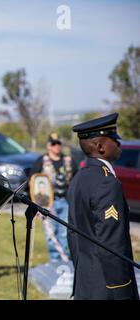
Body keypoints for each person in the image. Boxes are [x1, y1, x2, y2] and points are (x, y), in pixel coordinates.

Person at [67, 113, 139, 300]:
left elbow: (73, 234)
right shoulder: (107, 183)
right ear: (100, 147)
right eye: (114, 139)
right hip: (108, 288)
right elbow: (112, 242)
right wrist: (122, 290)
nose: (119, 144)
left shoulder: (79, 178)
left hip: (86, 281)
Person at [30, 132, 77, 262]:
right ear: (48, 146)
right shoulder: (41, 161)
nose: (57, 146)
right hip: (47, 203)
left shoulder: (69, 160)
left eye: (59, 143)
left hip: (66, 202)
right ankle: (55, 263)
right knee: (51, 235)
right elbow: (33, 181)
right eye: (53, 144)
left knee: (64, 233)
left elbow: (77, 181)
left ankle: (66, 263)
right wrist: (36, 204)